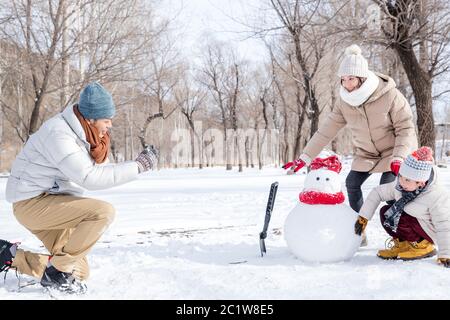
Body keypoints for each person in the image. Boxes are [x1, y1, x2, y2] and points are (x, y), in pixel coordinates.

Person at [0, 82, 158, 293]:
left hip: (54, 204)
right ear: (90, 119)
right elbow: (89, 178)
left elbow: (101, 170)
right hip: (32, 204)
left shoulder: (85, 136)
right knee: (103, 213)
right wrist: (139, 166)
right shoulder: (59, 133)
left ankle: (9, 256)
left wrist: (136, 164)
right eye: (106, 120)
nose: (109, 125)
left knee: (79, 272)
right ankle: (56, 273)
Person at [283, 44, 418, 244]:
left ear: (362, 78)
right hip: (367, 154)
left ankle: (406, 237)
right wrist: (305, 157)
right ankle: (359, 231)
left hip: (394, 152)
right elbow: (325, 131)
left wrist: (399, 157)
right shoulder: (345, 102)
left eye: (351, 78)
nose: (346, 84)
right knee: (352, 183)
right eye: (343, 79)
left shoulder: (389, 95)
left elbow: (406, 128)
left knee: (389, 190)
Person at [354, 146, 450, 267]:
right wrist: (363, 217)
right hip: (414, 224)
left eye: (407, 180)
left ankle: (423, 246)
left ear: (420, 182)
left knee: (406, 215)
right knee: (386, 212)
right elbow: (377, 192)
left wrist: (445, 254)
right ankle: (404, 244)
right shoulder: (400, 184)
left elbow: (444, 225)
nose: (401, 182)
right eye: (400, 176)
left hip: (429, 231)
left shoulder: (437, 195)